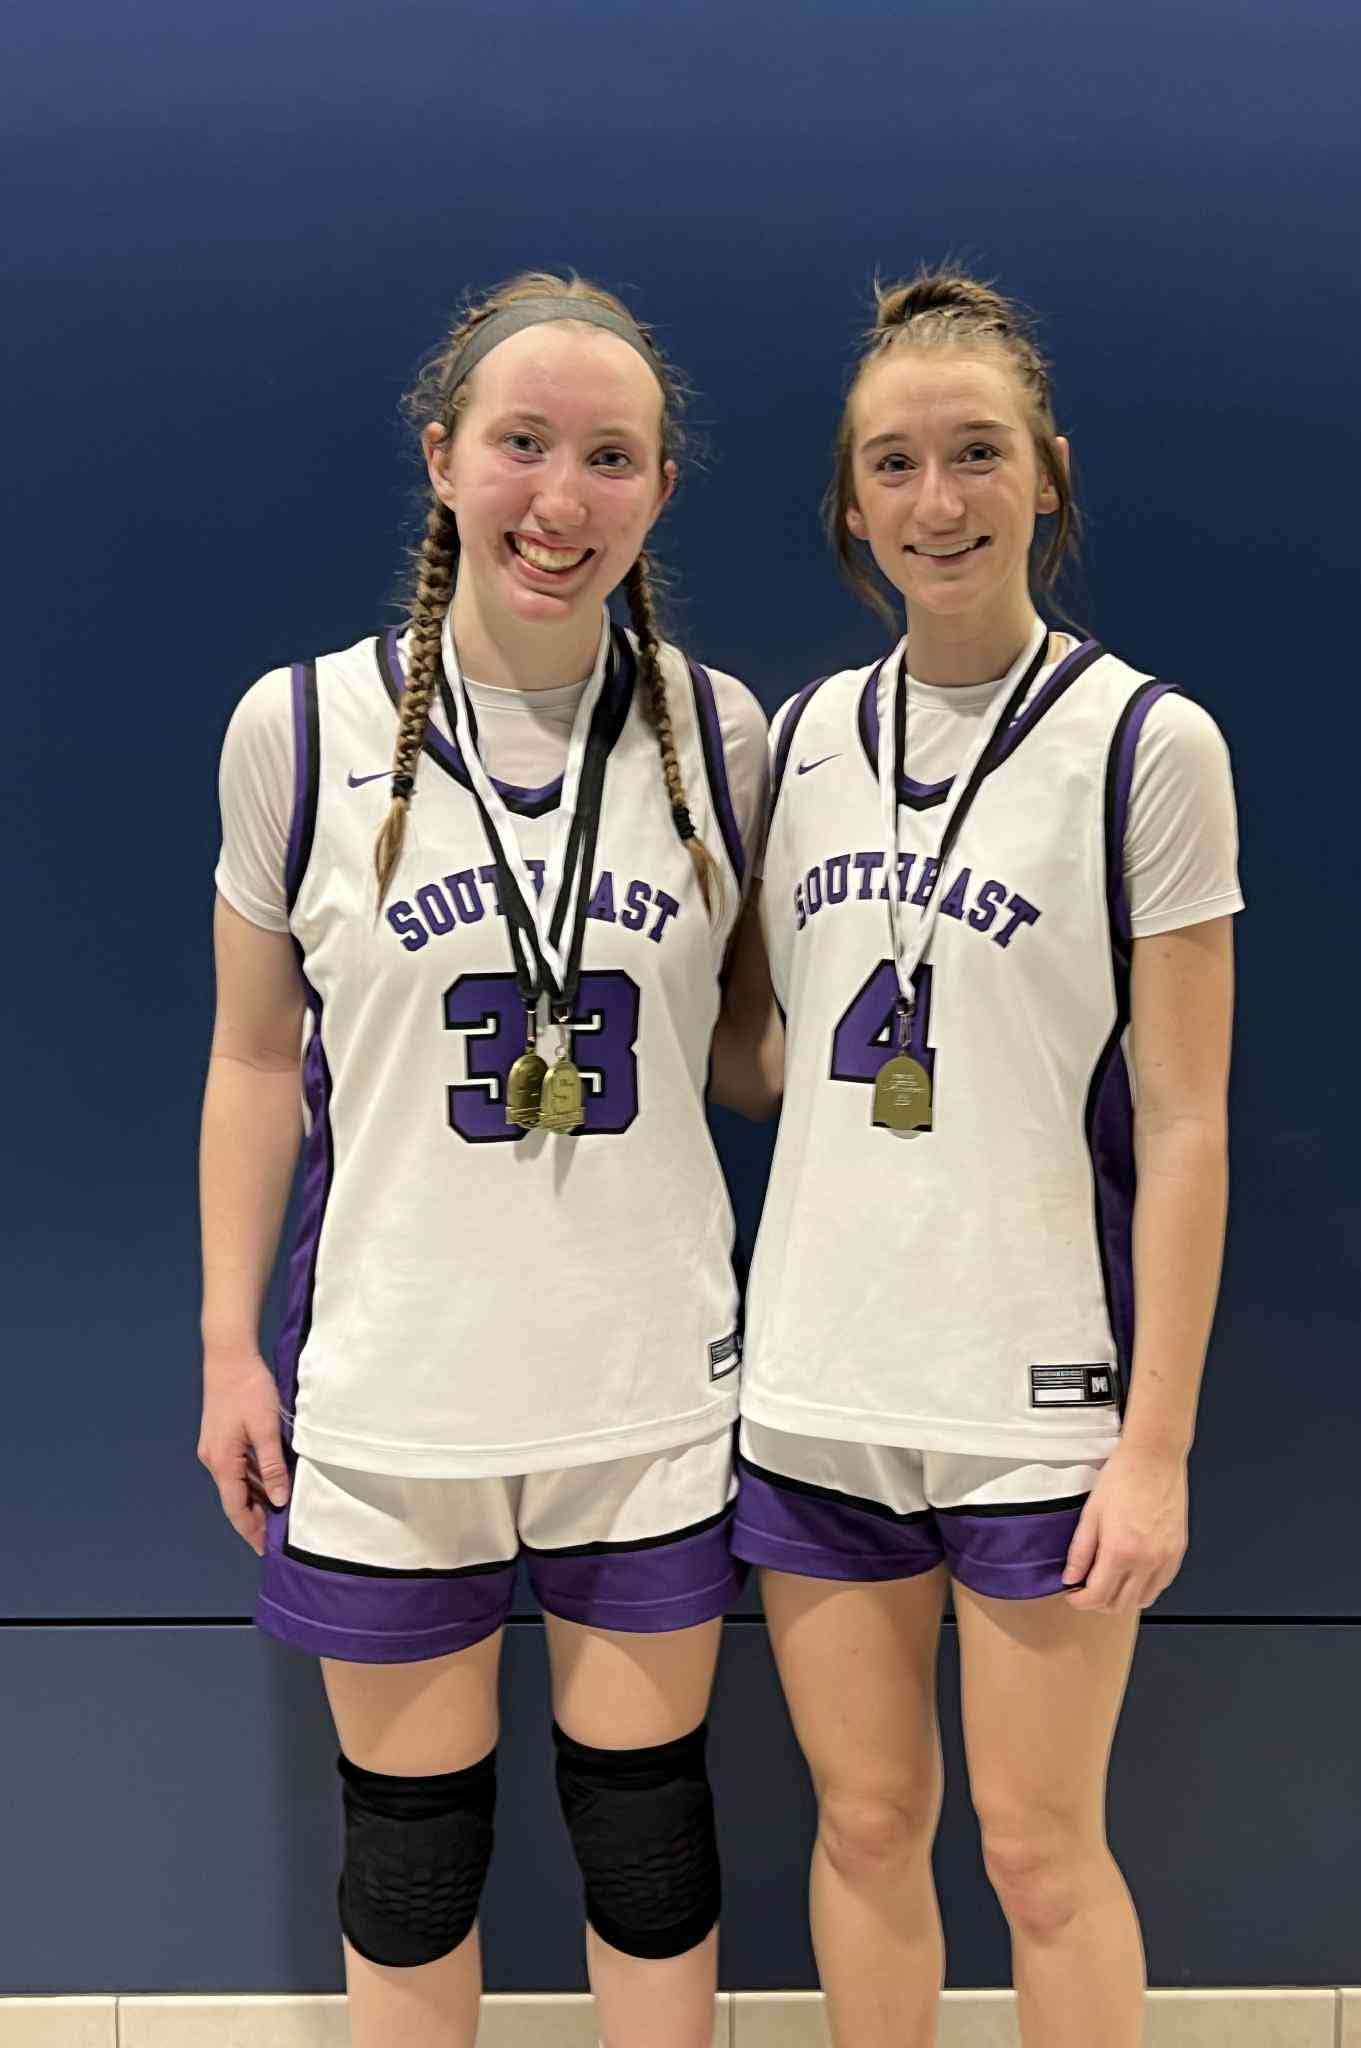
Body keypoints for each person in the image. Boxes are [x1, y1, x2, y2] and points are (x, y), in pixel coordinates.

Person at [198, 270, 768, 2048]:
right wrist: (230, 1348)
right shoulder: (296, 730)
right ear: (442, 459)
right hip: (395, 1396)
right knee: (414, 1856)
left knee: (650, 1833)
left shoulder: (725, 735)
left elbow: (754, 1051)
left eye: (612, 454)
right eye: (522, 444)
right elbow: (250, 1058)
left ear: (661, 490)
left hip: (645, 1389)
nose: (562, 495)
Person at [728, 269, 1243, 2047]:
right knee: (867, 1829)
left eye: (975, 455)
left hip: (1039, 1401)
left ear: (1047, 475)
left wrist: (1154, 1448)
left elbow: (1185, 1123)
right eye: (895, 464)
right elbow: (757, 1044)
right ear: (850, 502)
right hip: (817, 1383)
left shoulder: (1147, 746)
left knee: (1039, 1853)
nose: (936, 502)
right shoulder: (792, 744)